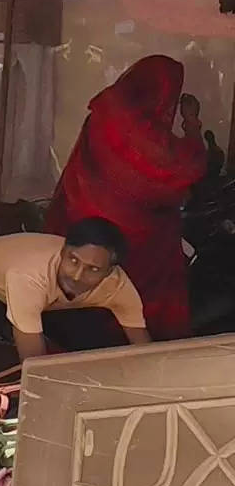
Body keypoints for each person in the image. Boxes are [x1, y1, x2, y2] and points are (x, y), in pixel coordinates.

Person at [45, 55, 206, 341]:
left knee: (71, 281)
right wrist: (191, 122)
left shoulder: (106, 110)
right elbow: (189, 165)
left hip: (80, 215)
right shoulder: (151, 139)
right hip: (135, 242)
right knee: (131, 295)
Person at [0, 218, 151, 364]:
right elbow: (34, 365)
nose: (77, 276)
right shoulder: (29, 276)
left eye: (93, 269)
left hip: (44, 298)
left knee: (96, 346)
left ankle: (20, 319)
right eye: (73, 260)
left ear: (110, 272)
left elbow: (144, 350)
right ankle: (15, 321)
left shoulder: (118, 285)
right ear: (62, 251)